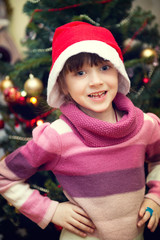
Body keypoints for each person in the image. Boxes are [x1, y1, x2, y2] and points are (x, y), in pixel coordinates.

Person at [0, 21, 160, 240]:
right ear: (63, 85)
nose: (95, 81)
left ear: (118, 72)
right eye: (80, 73)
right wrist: (52, 211)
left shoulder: (144, 125)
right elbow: (4, 177)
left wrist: (155, 196)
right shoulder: (57, 136)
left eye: (105, 68)